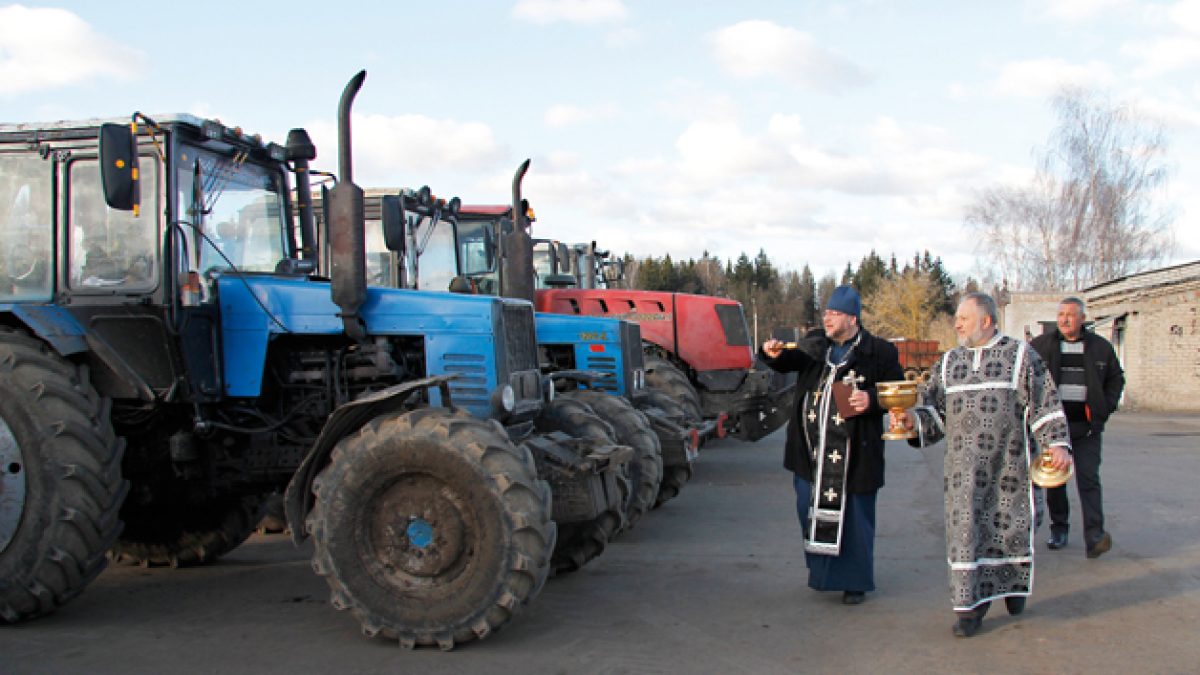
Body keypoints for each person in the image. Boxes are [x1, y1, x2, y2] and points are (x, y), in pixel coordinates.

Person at [895, 292, 1072, 638]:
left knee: (1009, 532)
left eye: (963, 317)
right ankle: (968, 611)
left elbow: (1044, 402)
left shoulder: (1020, 356)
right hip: (962, 472)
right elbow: (933, 410)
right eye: (957, 317)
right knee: (965, 537)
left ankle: (1011, 589)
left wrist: (1057, 443)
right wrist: (912, 422)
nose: (957, 323)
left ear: (987, 320)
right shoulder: (948, 363)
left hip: (1010, 467)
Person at [760, 285, 903, 605]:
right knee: (810, 511)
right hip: (809, 454)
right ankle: (823, 575)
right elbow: (790, 360)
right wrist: (773, 354)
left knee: (855, 518)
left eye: (834, 314)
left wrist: (873, 399)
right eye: (825, 313)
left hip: (856, 454)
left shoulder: (879, 352)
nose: (827, 318)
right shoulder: (815, 345)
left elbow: (898, 392)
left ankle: (855, 582)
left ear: (852, 318)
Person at [1031, 297, 1125, 558]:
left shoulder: (1100, 348)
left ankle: (1095, 536)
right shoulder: (1040, 346)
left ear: (1083, 319)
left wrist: (1104, 408)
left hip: (1087, 429)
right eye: (1061, 314)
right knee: (1055, 481)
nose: (1064, 320)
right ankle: (1059, 529)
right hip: (1053, 430)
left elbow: (1116, 379)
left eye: (1070, 315)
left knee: (1088, 479)